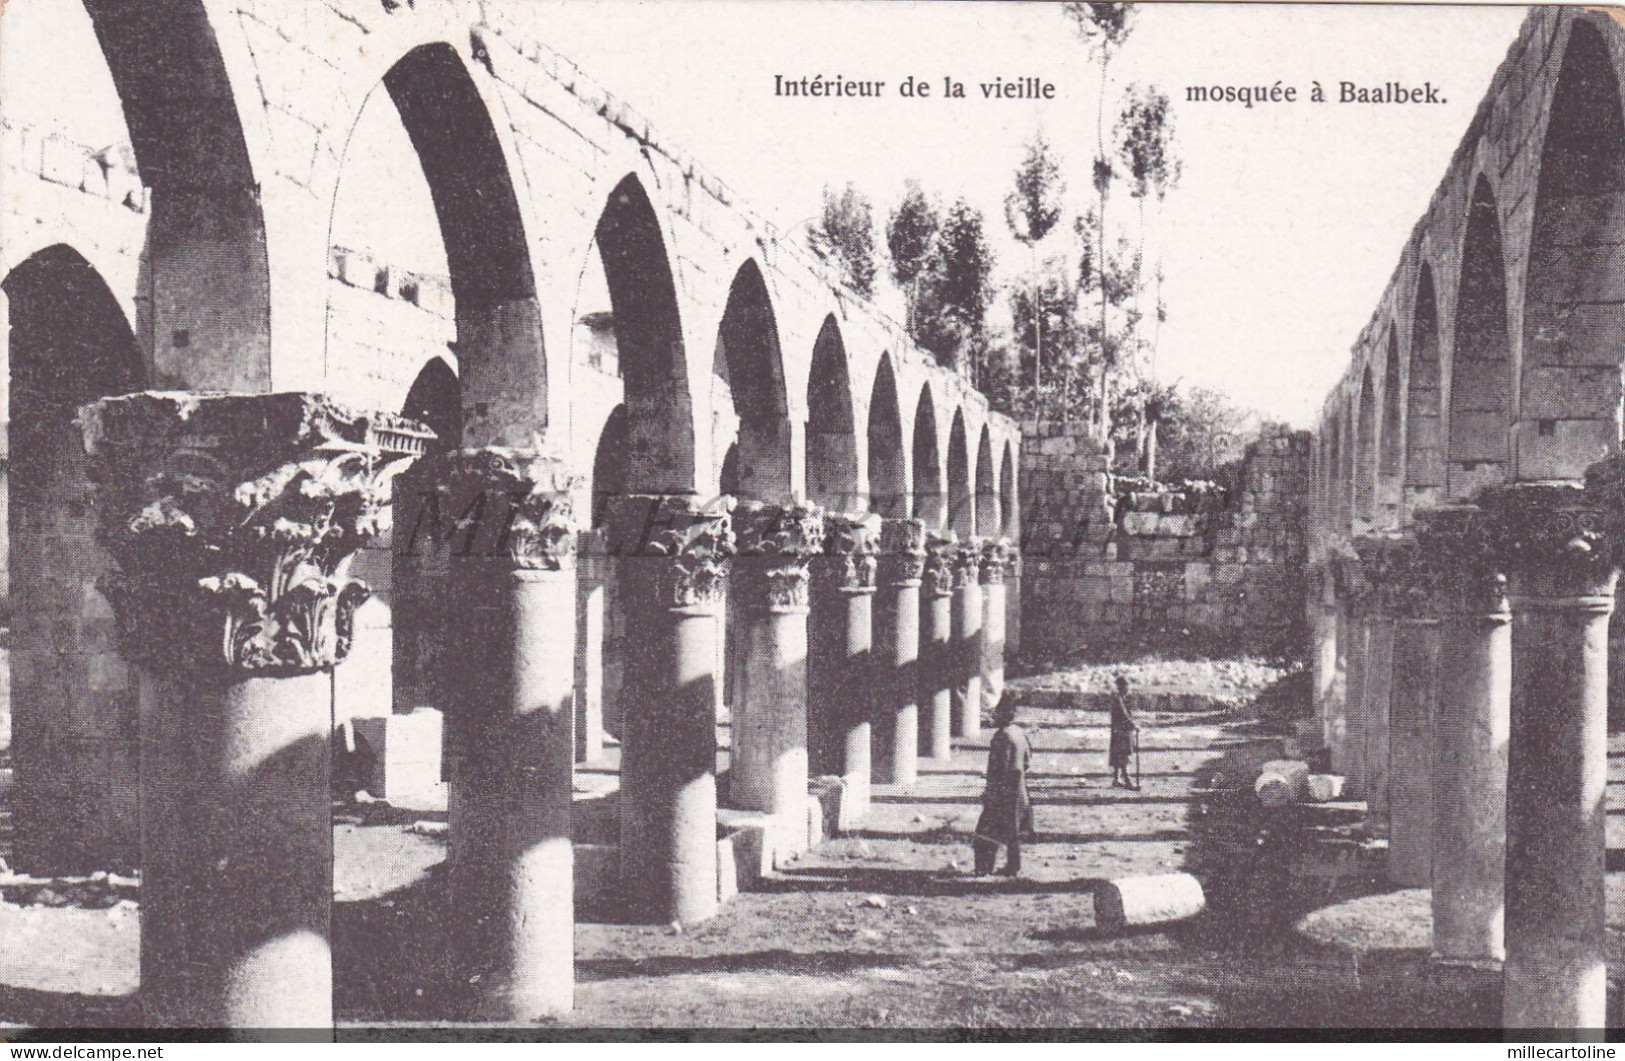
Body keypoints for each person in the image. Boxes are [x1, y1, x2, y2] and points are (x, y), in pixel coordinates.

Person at [973, 696, 1033, 876]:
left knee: (987, 829)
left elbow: (998, 768)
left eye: (997, 713)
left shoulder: (1001, 736)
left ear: (1003, 715)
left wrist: (990, 792)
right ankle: (1013, 866)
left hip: (1003, 789)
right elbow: (1027, 761)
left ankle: (984, 868)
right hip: (1019, 788)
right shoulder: (1019, 733)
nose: (994, 717)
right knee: (1013, 831)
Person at [1109, 673, 1140, 790]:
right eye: (1127, 686)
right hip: (1121, 731)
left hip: (1119, 730)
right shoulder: (1118, 699)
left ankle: (1116, 779)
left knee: (1117, 754)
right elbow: (1124, 715)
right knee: (1124, 755)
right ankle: (1127, 780)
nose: (1129, 689)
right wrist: (1134, 725)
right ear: (1122, 687)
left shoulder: (1120, 698)